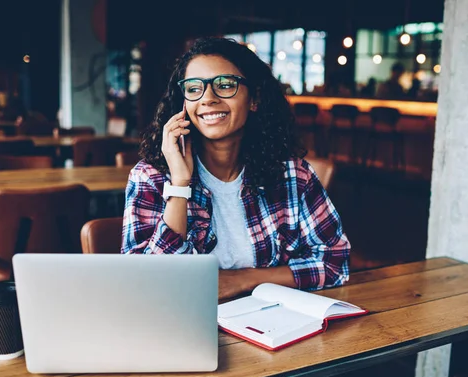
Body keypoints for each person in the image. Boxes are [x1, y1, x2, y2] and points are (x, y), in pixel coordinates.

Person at [121, 37, 351, 301]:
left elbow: (334, 263)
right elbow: (146, 285)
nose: (207, 98)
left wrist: (244, 279)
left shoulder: (292, 175)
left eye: (225, 85)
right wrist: (179, 185)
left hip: (273, 325)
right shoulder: (150, 177)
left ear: (254, 99)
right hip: (185, 327)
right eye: (194, 89)